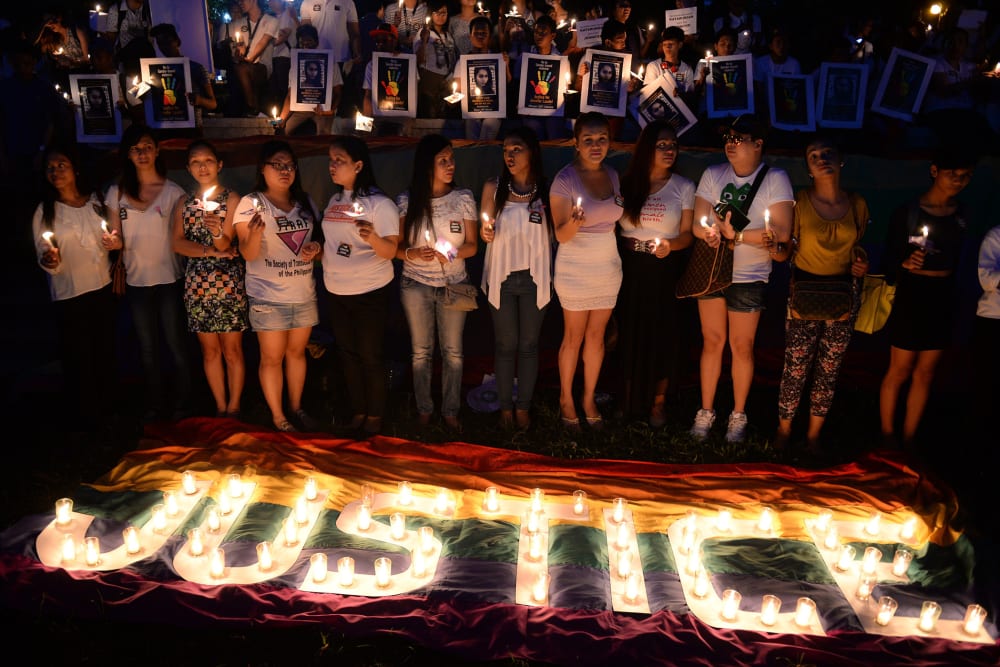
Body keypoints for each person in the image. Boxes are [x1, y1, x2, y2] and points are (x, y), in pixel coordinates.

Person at [689, 114, 794, 443]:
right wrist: (708, 234)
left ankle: (738, 414)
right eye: (728, 139)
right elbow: (697, 223)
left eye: (739, 138)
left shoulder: (776, 179)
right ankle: (705, 411)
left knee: (741, 346)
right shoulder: (713, 173)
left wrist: (737, 238)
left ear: (758, 144)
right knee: (712, 341)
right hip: (712, 271)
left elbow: (781, 236)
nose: (731, 144)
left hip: (749, 275)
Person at [773, 136, 870, 453]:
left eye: (828, 152)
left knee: (829, 370)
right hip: (804, 293)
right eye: (813, 155)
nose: (821, 158)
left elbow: (857, 249)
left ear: (841, 160)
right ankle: (784, 431)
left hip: (842, 296)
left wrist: (860, 264)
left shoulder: (856, 204)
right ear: (809, 169)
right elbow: (786, 250)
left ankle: (813, 436)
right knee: (795, 368)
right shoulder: (799, 203)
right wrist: (775, 248)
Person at [878, 147, 976, 450]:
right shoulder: (909, 212)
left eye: (965, 176)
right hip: (912, 294)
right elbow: (887, 260)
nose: (958, 181)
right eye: (952, 174)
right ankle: (887, 435)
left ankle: (909, 438)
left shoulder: (962, 215)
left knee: (926, 371)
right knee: (900, 368)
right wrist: (904, 264)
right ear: (934, 171)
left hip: (942, 296)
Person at [105, 124, 194, 422]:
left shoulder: (174, 193)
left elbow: (182, 236)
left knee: (176, 343)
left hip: (170, 279)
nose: (141, 153)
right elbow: (114, 235)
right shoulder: (116, 191)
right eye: (135, 148)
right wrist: (113, 242)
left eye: (146, 147)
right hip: (137, 281)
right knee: (147, 347)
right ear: (127, 155)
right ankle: (155, 404)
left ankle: (183, 403)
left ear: (157, 151)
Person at [233, 140, 323, 432]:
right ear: (263, 169)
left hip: (303, 292)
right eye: (278, 165)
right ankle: (278, 417)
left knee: (297, 354)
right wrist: (256, 235)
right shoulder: (251, 204)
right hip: (267, 296)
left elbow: (319, 245)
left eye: (290, 166)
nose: (285, 171)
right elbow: (247, 254)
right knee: (272, 357)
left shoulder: (306, 202)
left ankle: (297, 407)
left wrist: (314, 249)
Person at [394, 134, 477, 433]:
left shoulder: (463, 197)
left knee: (453, 351)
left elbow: (472, 245)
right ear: (426, 165)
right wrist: (411, 253)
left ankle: (451, 410)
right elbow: (396, 247)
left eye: (451, 159)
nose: (450, 165)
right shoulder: (406, 200)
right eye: (443, 160)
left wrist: (450, 253)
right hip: (415, 284)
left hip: (453, 283)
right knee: (421, 351)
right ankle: (424, 410)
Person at [32, 144, 118, 432]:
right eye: (50, 168)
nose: (55, 171)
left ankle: (109, 407)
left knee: (104, 349)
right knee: (79, 355)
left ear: (75, 169)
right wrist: (50, 259)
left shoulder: (94, 201)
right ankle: (86, 416)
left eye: (61, 165)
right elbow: (44, 255)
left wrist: (112, 244)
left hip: (101, 286)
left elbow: (107, 237)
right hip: (71, 293)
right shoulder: (45, 212)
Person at [320, 135, 400, 437]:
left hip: (369, 292)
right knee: (348, 354)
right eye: (330, 159)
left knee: (370, 355)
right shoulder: (334, 201)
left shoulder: (380, 204)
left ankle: (376, 415)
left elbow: (390, 251)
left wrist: (373, 238)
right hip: (337, 290)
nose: (332, 165)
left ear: (358, 165)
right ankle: (358, 411)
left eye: (339, 160)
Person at [616, 120, 694, 427]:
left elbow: (688, 234)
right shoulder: (626, 183)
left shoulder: (684, 187)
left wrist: (671, 245)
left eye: (673, 145)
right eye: (661, 145)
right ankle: (627, 397)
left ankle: (658, 403)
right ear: (647, 148)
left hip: (665, 269)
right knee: (629, 333)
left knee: (664, 335)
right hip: (629, 269)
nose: (669, 150)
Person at [550, 111, 623, 431]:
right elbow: (560, 235)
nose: (596, 145)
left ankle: (588, 397)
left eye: (602, 139)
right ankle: (566, 398)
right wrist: (574, 223)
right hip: (575, 267)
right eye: (589, 140)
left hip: (607, 265)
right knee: (573, 337)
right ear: (576, 143)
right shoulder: (564, 179)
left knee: (596, 338)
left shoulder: (613, 174)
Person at [479, 126, 553, 431]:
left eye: (516, 148)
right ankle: (505, 407)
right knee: (506, 343)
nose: (509, 155)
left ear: (532, 151)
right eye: (505, 150)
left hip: (535, 277)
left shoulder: (546, 189)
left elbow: (555, 234)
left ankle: (523, 407)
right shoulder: (493, 188)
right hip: (503, 277)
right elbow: (486, 230)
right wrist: (487, 232)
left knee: (529, 344)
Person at [170, 140, 247, 419]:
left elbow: (227, 244)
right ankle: (220, 405)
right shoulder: (183, 203)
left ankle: (235, 407)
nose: (203, 166)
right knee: (210, 351)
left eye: (208, 160)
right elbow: (178, 244)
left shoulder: (233, 199)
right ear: (189, 168)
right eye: (195, 162)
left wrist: (216, 234)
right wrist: (208, 250)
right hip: (197, 285)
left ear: (219, 165)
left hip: (228, 283)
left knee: (232, 350)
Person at [275, 24, 343, 136]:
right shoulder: (295, 66)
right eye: (302, 42)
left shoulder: (330, 63)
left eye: (309, 41)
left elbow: (338, 92)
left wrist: (330, 110)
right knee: (282, 132)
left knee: (324, 134)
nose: (305, 45)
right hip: (300, 110)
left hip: (322, 110)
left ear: (316, 43)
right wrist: (281, 119)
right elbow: (290, 96)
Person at [149, 23, 218, 128]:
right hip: (164, 127)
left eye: (167, 41)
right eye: (160, 43)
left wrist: (199, 100)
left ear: (177, 41)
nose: (164, 46)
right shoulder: (156, 71)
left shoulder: (196, 68)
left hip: (191, 126)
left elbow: (213, 104)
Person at [232, 0, 278, 117]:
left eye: (242, 0)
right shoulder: (240, 23)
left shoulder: (271, 21)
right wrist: (239, 53)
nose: (240, 3)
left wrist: (250, 59)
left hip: (263, 66)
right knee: (240, 68)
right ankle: (252, 107)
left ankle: (252, 106)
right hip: (245, 65)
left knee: (243, 68)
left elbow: (263, 42)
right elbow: (240, 45)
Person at [414, 0, 459, 119]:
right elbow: (418, 60)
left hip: (446, 79)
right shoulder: (423, 33)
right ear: (431, 14)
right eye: (437, 13)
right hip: (429, 77)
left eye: (444, 13)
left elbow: (452, 57)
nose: (440, 16)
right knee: (429, 113)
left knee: (444, 113)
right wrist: (424, 41)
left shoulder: (448, 35)